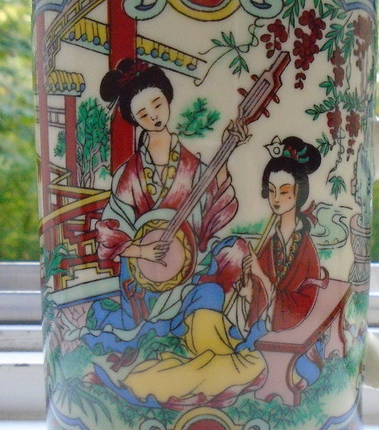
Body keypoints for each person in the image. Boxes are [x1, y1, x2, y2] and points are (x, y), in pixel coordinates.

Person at [83, 58, 263, 408]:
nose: (153, 115)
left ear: (167, 99)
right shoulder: (130, 174)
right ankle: (198, 357)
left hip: (190, 264)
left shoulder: (190, 163)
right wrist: (141, 252)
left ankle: (213, 353)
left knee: (234, 251)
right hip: (148, 280)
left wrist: (226, 152)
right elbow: (110, 232)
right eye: (143, 113)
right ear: (135, 120)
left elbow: (212, 205)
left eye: (157, 104)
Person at [235, 136, 327, 386]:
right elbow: (262, 291)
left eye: (284, 191)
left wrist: (261, 277)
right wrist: (249, 290)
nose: (276, 198)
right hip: (267, 322)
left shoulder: (305, 247)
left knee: (245, 368)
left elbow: (303, 302)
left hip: (291, 325)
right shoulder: (270, 240)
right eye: (272, 190)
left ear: (298, 194)